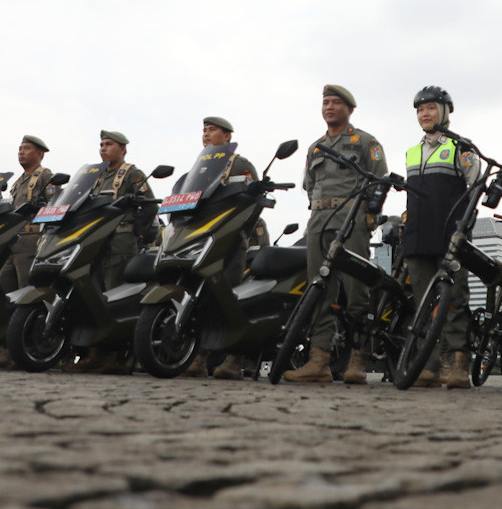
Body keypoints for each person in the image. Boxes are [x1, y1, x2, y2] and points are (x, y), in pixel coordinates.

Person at [284, 85, 387, 384]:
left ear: (349, 109)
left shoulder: (365, 141)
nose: (329, 107)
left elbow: (380, 180)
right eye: (325, 102)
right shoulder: (315, 147)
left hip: (351, 219)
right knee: (319, 290)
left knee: (357, 290)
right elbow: (309, 183)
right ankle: (319, 361)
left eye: (336, 102)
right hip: (318, 220)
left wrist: (370, 215)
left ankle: (358, 358)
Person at [401, 86, 480, 389]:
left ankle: (458, 362)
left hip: (450, 236)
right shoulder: (412, 151)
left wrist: (463, 229)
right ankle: (429, 365)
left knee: (454, 300)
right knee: (422, 303)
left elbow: (475, 189)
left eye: (431, 108)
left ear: (446, 112)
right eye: (420, 109)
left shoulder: (462, 147)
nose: (425, 114)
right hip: (417, 236)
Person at [66, 129, 156, 374]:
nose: (103, 148)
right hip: (95, 242)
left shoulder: (132, 173)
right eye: (101, 144)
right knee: (95, 297)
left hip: (120, 240)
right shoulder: (96, 175)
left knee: (117, 296)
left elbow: (149, 205)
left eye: (109, 144)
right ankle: (96, 352)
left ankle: (117, 355)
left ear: (123, 148)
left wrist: (137, 231)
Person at [181, 116, 261, 381]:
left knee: (228, 298)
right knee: (201, 299)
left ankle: (234, 359)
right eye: (204, 130)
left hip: (229, 242)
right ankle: (200, 358)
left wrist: (239, 232)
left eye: (212, 130)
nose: (205, 133)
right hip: (200, 241)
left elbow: (254, 203)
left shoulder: (239, 163)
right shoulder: (200, 165)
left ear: (227, 136)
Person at [0, 136, 55, 369]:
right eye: (20, 148)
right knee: (6, 292)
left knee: (27, 294)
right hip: (13, 242)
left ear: (40, 153)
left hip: (32, 240)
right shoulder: (18, 181)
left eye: (27, 149)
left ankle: (29, 347)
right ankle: (7, 349)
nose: (21, 152)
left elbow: (56, 207)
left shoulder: (45, 177)